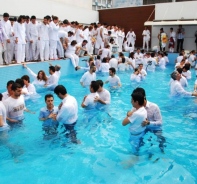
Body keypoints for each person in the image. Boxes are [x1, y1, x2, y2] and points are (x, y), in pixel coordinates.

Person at [128, 87, 165, 153]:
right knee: (139, 143)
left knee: (161, 139)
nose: (133, 101)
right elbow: (130, 116)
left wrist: (149, 123)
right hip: (143, 129)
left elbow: (160, 122)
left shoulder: (154, 107)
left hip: (155, 128)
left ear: (143, 97)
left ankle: (162, 152)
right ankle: (137, 155)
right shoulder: (135, 107)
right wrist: (128, 113)